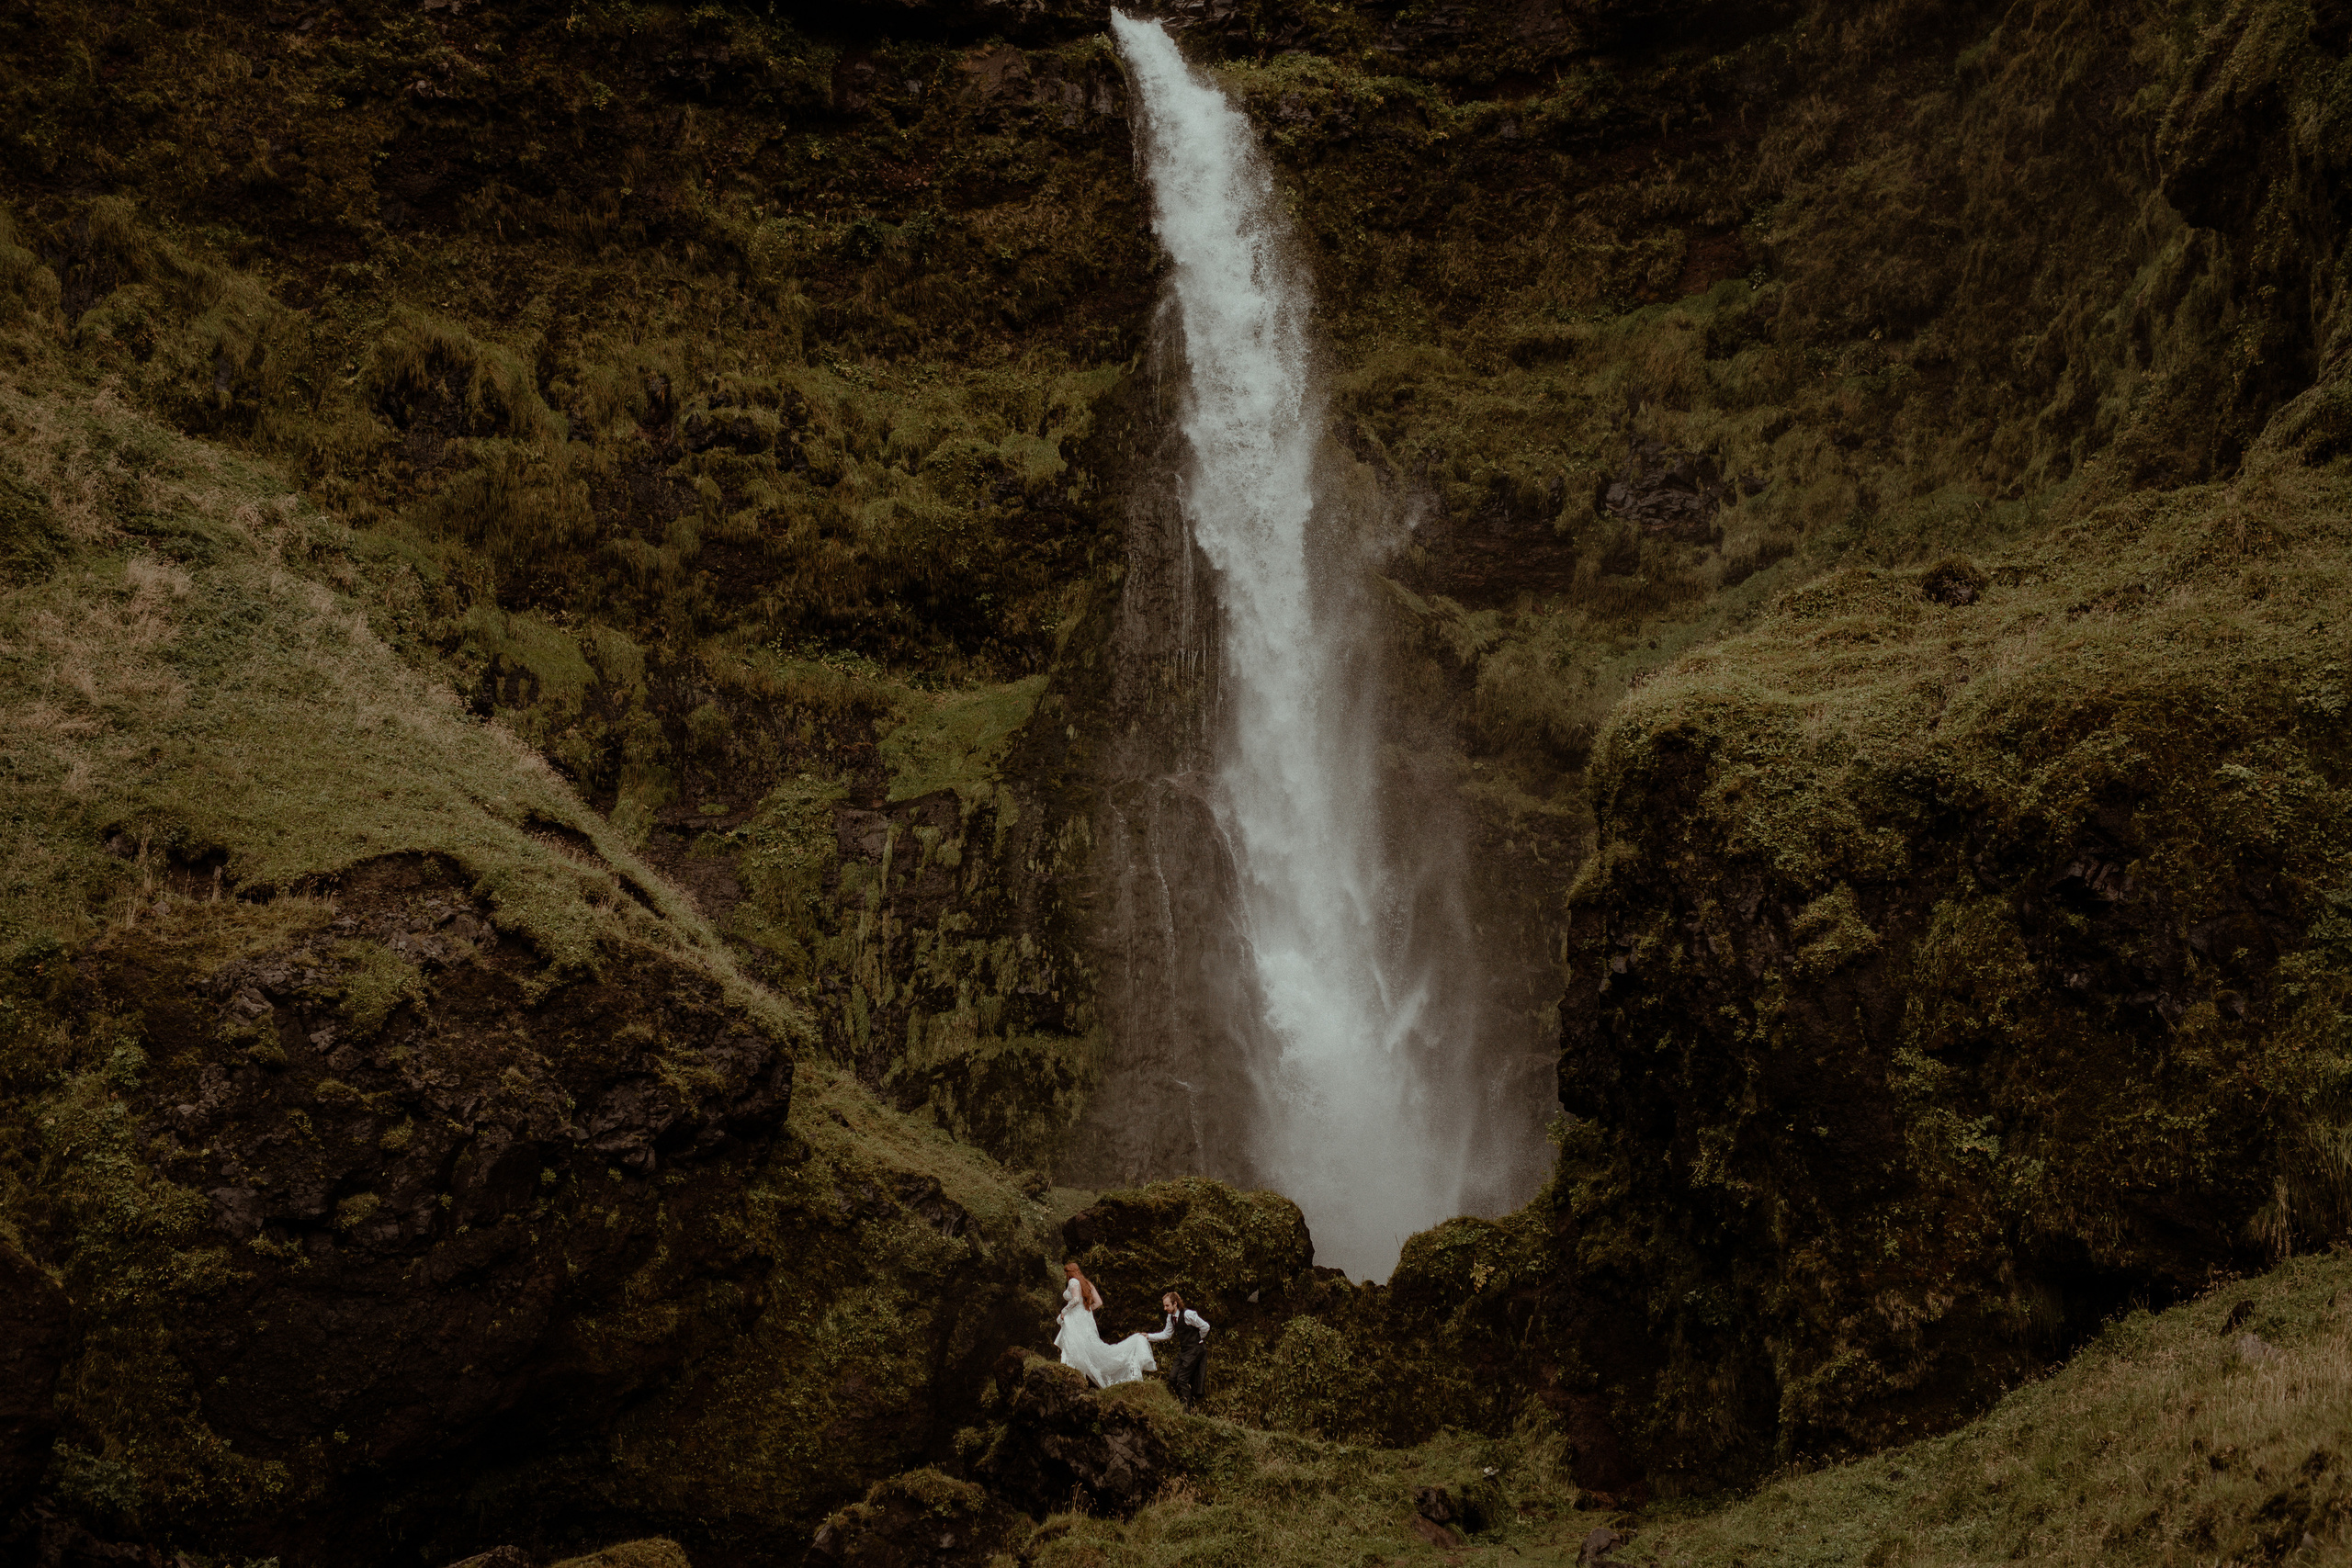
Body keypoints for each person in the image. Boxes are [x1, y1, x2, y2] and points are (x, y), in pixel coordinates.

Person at [1054, 1261, 1155, 1389]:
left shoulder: (1073, 1282)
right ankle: (1076, 1375)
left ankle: (1070, 1372)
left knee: (1074, 1344)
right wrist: (1087, 1309)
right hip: (1086, 1318)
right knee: (1084, 1346)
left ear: (1069, 1272)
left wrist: (1064, 1312)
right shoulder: (1088, 1284)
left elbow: (1075, 1299)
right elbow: (1099, 1302)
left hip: (1075, 1318)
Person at [1145, 1288, 1211, 1409]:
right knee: (1172, 1378)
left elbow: (1205, 1326)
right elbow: (1166, 1334)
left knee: (1182, 1379)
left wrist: (1198, 1339)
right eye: (1164, 1306)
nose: (1165, 1309)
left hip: (1196, 1350)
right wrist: (1148, 1336)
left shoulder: (1188, 1314)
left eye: (1167, 1305)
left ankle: (1187, 1409)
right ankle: (1185, 1400)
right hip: (1184, 1351)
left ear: (1175, 1303)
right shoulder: (1170, 1317)